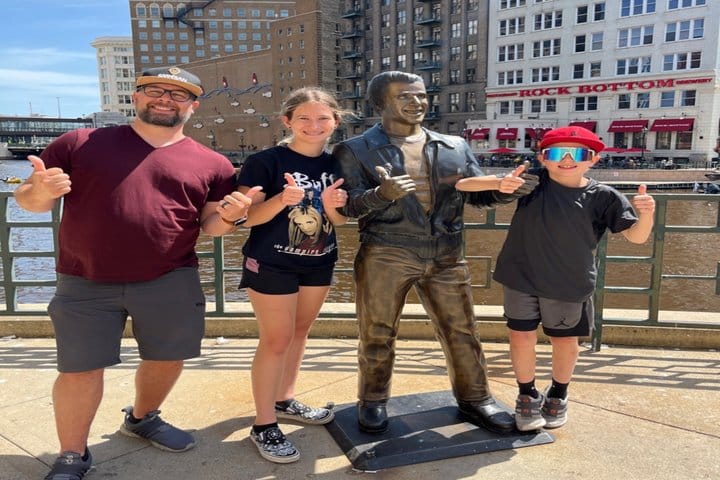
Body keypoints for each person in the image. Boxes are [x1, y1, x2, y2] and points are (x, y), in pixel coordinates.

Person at [14, 66, 260, 480]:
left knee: (168, 357)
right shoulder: (80, 142)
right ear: (136, 96)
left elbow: (211, 226)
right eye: (154, 90)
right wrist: (38, 190)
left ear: (193, 106)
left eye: (178, 94)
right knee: (79, 368)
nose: (165, 99)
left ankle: (143, 417)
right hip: (85, 277)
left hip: (171, 276)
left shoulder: (214, 163)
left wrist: (232, 216)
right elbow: (31, 201)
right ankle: (72, 454)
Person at [333, 71, 538, 435]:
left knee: (462, 330)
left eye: (421, 96)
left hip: (446, 253)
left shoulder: (454, 145)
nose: (417, 103)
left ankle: (476, 398)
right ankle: (373, 399)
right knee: (377, 331)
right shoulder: (355, 149)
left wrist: (505, 190)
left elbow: (475, 194)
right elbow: (349, 206)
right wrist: (381, 195)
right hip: (386, 252)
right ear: (381, 103)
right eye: (405, 97)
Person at [492, 126, 655, 431]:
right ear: (543, 158)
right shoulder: (531, 183)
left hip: (569, 281)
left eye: (578, 153)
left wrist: (646, 214)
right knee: (520, 336)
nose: (567, 160)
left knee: (565, 340)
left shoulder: (604, 196)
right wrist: (502, 183)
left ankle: (558, 393)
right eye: (557, 153)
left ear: (593, 159)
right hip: (519, 275)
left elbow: (636, 237)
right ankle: (527, 394)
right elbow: (477, 189)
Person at [235, 87, 348, 463]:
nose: (313, 125)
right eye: (304, 118)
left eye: (322, 118)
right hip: (271, 262)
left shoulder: (338, 164)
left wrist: (331, 207)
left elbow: (339, 222)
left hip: (319, 261)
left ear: (335, 121)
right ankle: (263, 424)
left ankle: (284, 399)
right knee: (276, 340)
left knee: (299, 332)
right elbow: (246, 218)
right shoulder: (264, 161)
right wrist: (279, 201)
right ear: (287, 121)